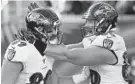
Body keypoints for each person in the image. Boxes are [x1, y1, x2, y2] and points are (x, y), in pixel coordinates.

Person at [45, 2, 129, 84]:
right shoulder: (94, 41)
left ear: (105, 23)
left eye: (90, 21)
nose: (87, 25)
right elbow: (67, 49)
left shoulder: (111, 42)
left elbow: (70, 55)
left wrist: (41, 45)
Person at [1, 3, 63, 84]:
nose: (55, 33)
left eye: (56, 29)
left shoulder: (52, 49)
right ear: (38, 29)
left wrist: (42, 16)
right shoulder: (21, 50)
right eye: (50, 30)